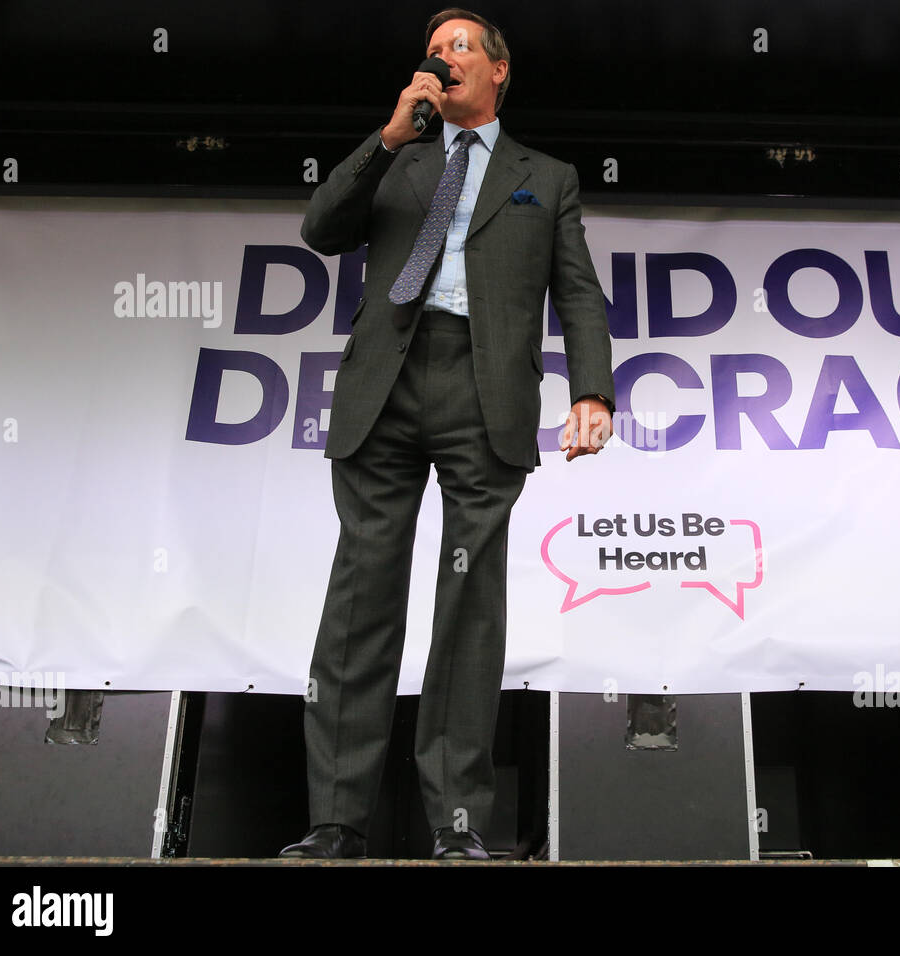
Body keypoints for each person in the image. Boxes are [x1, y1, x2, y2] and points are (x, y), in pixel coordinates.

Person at [279, 7, 615, 861]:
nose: (447, 57)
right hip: (384, 383)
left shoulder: (549, 175)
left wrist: (592, 392)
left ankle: (457, 821)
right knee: (361, 597)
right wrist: (387, 137)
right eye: (437, 50)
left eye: (464, 47)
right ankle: (335, 822)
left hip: (483, 387)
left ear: (500, 70)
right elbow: (320, 230)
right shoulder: (400, 156)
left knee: (469, 607)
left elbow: (576, 292)